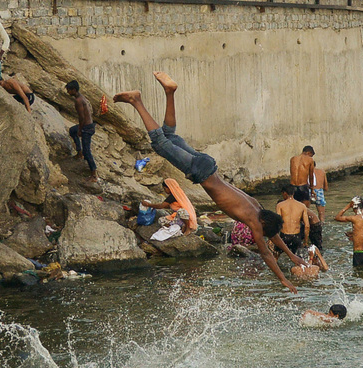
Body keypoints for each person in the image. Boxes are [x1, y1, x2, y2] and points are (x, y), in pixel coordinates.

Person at [113, 71, 306, 293]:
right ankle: (136, 101)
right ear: (262, 226)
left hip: (210, 165)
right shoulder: (254, 223)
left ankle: (170, 91)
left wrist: (292, 256)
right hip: (200, 173)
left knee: (170, 135)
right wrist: (283, 279)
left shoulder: (257, 207)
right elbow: (265, 253)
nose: (261, 236)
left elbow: (273, 234)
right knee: (158, 143)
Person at [66, 80, 98, 182]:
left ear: (74, 90)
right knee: (72, 131)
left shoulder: (78, 101)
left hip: (87, 127)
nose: (68, 92)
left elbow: (82, 117)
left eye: (69, 90)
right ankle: (79, 153)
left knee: (87, 151)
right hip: (88, 125)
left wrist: (80, 129)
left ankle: (93, 175)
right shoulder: (81, 97)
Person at [335, 196, 363, 266]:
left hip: (359, 253)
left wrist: (348, 206)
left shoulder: (354, 218)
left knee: (357, 275)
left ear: (353, 207)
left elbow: (337, 217)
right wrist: (355, 234)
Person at [275, 185, 310, 256]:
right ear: (293, 193)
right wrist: (306, 241)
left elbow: (277, 222)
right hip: (296, 236)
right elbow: (307, 226)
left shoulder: (280, 205)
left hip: (284, 236)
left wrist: (273, 238)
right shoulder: (302, 206)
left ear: (284, 193)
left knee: (275, 256)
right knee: (298, 260)